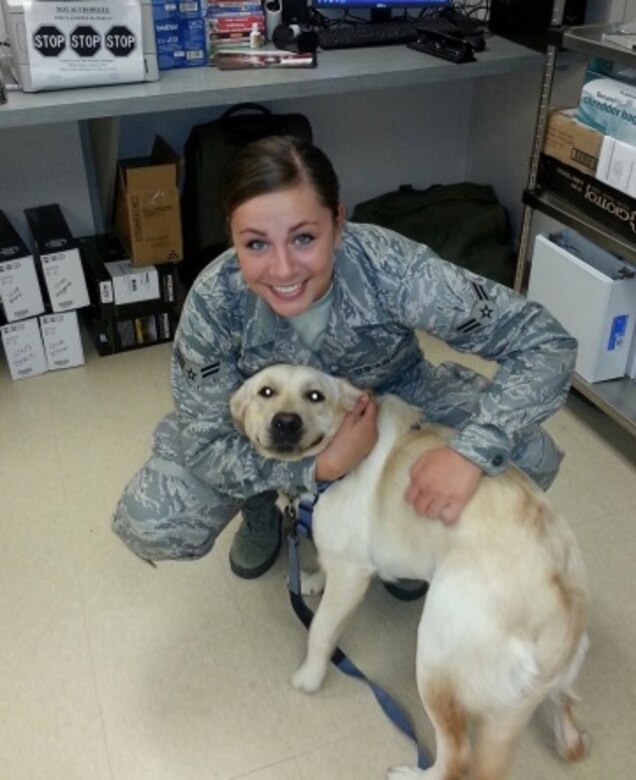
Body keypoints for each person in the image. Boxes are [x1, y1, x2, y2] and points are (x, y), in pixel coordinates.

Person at [112, 135, 577, 594]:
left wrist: (470, 452)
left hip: (389, 396)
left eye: (303, 238)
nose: (282, 269)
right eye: (255, 244)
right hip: (264, 425)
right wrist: (314, 470)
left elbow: (544, 343)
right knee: (154, 520)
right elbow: (206, 442)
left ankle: (401, 527)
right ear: (231, 234)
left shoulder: (395, 270)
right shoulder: (215, 301)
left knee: (526, 457)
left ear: (338, 223)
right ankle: (263, 505)